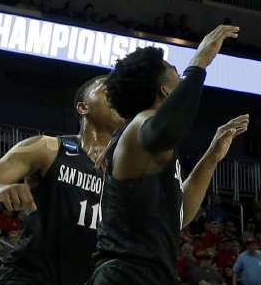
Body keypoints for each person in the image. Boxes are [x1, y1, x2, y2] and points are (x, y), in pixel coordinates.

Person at [88, 25, 250, 285]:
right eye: (172, 68)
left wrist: (211, 157)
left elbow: (180, 215)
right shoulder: (140, 125)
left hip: (151, 274)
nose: (177, 70)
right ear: (164, 89)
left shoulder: (150, 145)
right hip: (125, 274)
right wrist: (199, 63)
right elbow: (168, 128)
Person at [0, 74, 121, 285]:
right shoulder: (47, 148)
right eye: (108, 90)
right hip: (29, 276)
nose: (118, 96)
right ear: (83, 108)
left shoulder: (125, 171)